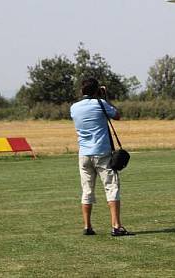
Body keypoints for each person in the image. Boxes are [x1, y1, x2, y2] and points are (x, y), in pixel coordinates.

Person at [70, 77, 133, 237]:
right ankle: (116, 226)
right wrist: (104, 98)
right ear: (97, 90)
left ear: (82, 91)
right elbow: (117, 115)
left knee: (87, 190)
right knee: (111, 187)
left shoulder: (74, 107)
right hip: (102, 152)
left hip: (84, 154)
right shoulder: (101, 104)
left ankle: (87, 226)